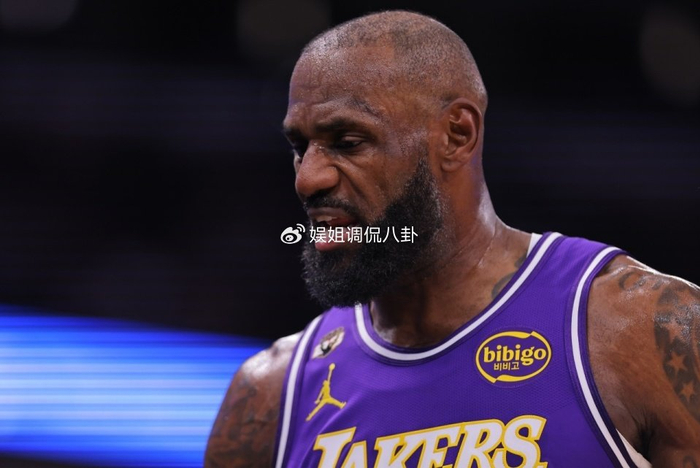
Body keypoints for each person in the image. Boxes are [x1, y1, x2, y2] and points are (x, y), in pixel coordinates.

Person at [204, 10, 700, 468]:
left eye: (348, 143)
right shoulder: (269, 398)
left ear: (457, 135)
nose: (308, 179)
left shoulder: (641, 331)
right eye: (300, 146)